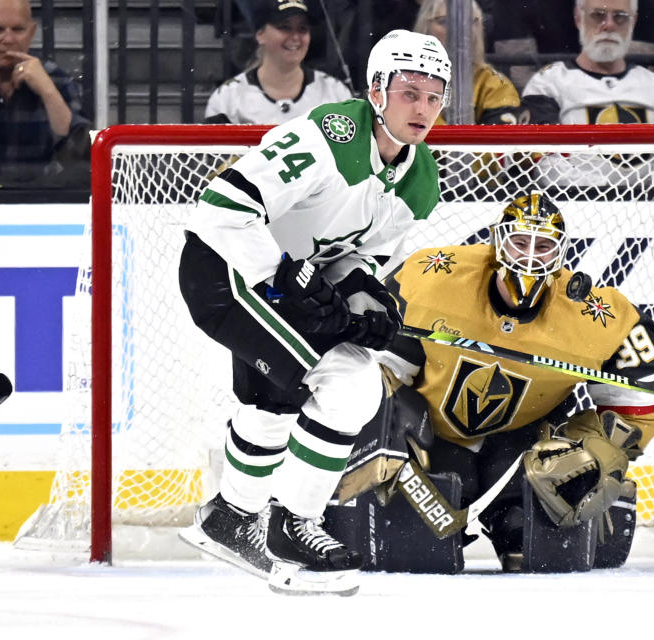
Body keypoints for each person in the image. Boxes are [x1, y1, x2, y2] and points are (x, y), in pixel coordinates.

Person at [177, 29, 451, 595]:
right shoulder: (330, 136)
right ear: (376, 90)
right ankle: (290, 524)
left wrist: (365, 299)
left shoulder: (421, 181)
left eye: (433, 96)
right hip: (225, 268)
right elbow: (224, 207)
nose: (422, 108)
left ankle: (231, 517)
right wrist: (285, 276)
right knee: (351, 385)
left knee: (276, 397)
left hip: (282, 280)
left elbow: (359, 259)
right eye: (409, 92)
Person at [330, 192, 654, 573]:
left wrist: (598, 450)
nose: (530, 255)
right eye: (520, 241)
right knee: (414, 549)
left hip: (521, 451)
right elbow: (376, 373)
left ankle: (573, 513)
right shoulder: (431, 279)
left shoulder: (595, 316)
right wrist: (386, 442)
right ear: (498, 240)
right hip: (432, 440)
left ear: (560, 253)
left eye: (543, 245)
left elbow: (643, 406)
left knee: (542, 552)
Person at [0, 0, 90, 189]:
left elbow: (81, 160)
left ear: (31, 33)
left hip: (41, 204)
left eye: (18, 29)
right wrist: (5, 204)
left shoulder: (55, 80)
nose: (8, 39)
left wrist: (48, 92)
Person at [521, 0, 654, 126]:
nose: (609, 25)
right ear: (578, 18)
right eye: (598, 15)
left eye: (620, 17)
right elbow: (543, 161)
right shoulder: (547, 85)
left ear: (633, 22)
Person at [204, 0, 352, 125]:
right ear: (260, 34)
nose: (295, 37)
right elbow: (214, 158)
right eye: (284, 27)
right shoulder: (228, 97)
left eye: (302, 29)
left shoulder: (335, 93)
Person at [413, 0, 525, 125]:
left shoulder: (493, 84)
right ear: (425, 27)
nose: (457, 30)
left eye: (468, 22)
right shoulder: (402, 80)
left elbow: (500, 140)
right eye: (444, 21)